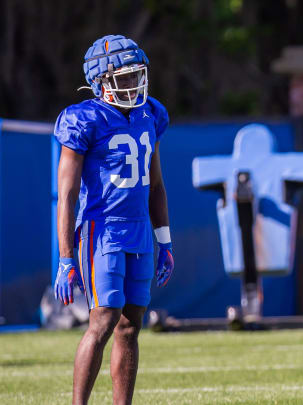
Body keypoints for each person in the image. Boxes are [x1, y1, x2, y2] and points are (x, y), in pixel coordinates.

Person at [53, 34, 175, 405]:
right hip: (101, 230)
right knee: (103, 319)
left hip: (139, 230)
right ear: (100, 83)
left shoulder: (150, 113)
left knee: (130, 325)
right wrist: (66, 257)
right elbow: (68, 195)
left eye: (136, 75)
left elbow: (156, 185)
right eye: (122, 78)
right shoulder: (84, 119)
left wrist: (165, 240)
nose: (132, 84)